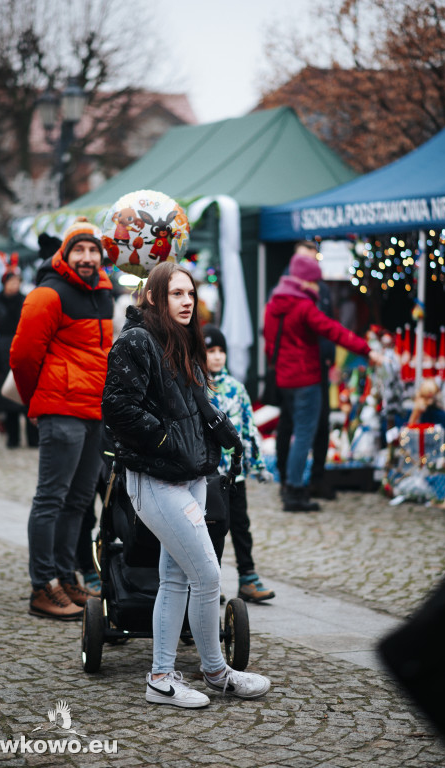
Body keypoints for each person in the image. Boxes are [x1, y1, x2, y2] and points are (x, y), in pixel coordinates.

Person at [102, 261, 271, 709]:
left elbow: (195, 402)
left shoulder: (181, 340)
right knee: (208, 573)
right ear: (154, 297)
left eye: (191, 294)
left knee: (175, 578)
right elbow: (116, 408)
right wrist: (165, 439)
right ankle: (214, 670)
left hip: (192, 473)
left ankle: (161, 677)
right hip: (156, 478)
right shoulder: (136, 341)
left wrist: (219, 431)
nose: (186, 301)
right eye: (177, 294)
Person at [10, 217, 114, 621]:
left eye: (92, 250)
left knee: (79, 501)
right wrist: (35, 402)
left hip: (94, 412)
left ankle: (66, 577)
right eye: (79, 250)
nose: (86, 257)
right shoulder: (48, 294)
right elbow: (21, 356)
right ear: (65, 255)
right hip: (61, 410)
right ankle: (43, 586)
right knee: (51, 499)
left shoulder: (103, 294)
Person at [264, 252, 381, 513]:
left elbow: (269, 344)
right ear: (304, 281)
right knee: (304, 435)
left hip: (285, 379)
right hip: (306, 380)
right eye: (315, 281)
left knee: (294, 432)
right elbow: (333, 331)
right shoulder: (303, 306)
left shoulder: (273, 304)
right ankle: (294, 491)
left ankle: (289, 485)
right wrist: (366, 349)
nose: (318, 287)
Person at [203, 324, 275, 603]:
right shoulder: (197, 387)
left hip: (236, 474)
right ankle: (211, 582)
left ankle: (248, 577)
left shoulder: (236, 388)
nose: (218, 356)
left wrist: (257, 465)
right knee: (212, 528)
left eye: (221, 350)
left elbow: (248, 428)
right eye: (211, 351)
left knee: (241, 526)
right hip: (209, 477)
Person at [275, 241, 336, 500]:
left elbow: (329, 326)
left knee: (321, 423)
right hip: (293, 371)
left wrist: (329, 357)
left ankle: (316, 479)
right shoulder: (283, 290)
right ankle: (289, 482)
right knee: (290, 426)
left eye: (314, 258)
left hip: (317, 367)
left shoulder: (321, 290)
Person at [0, 267, 38, 448]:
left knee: (27, 394)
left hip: (22, 344)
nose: (14, 286)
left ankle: (33, 438)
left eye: (16, 282)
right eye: (11, 282)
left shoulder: (24, 300)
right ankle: (13, 437)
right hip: (3, 349)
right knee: (10, 396)